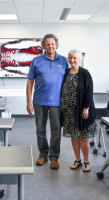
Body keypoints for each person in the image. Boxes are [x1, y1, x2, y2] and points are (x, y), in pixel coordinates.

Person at [26, 34, 68, 170]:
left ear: (56, 45)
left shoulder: (63, 60)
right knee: (40, 130)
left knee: (56, 131)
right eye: (48, 44)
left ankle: (54, 157)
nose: (51, 46)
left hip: (57, 103)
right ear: (44, 46)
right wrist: (29, 102)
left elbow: (69, 82)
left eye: (53, 43)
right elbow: (29, 82)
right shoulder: (36, 61)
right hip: (39, 101)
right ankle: (43, 154)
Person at [60, 49, 96, 173]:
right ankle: (77, 159)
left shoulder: (85, 73)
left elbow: (89, 92)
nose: (72, 60)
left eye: (75, 58)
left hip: (82, 112)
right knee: (74, 137)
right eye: (70, 58)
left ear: (79, 60)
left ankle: (86, 161)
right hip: (69, 112)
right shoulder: (65, 73)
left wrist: (86, 108)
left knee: (83, 137)